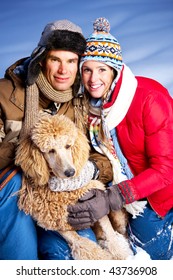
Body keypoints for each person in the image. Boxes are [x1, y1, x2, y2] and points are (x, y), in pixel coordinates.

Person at [0, 19, 113, 260]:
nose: (64, 70)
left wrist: (92, 171)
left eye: (71, 61)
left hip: (58, 198)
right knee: (23, 260)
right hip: (15, 197)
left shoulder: (79, 102)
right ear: (41, 60)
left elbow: (98, 154)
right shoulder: (5, 94)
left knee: (76, 252)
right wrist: (33, 152)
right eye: (55, 60)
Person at [68, 17, 173, 260]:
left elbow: (166, 169)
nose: (94, 79)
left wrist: (112, 198)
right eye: (87, 69)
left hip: (162, 187)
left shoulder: (149, 99)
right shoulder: (89, 108)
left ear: (115, 70)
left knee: (154, 254)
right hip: (134, 186)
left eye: (102, 69)